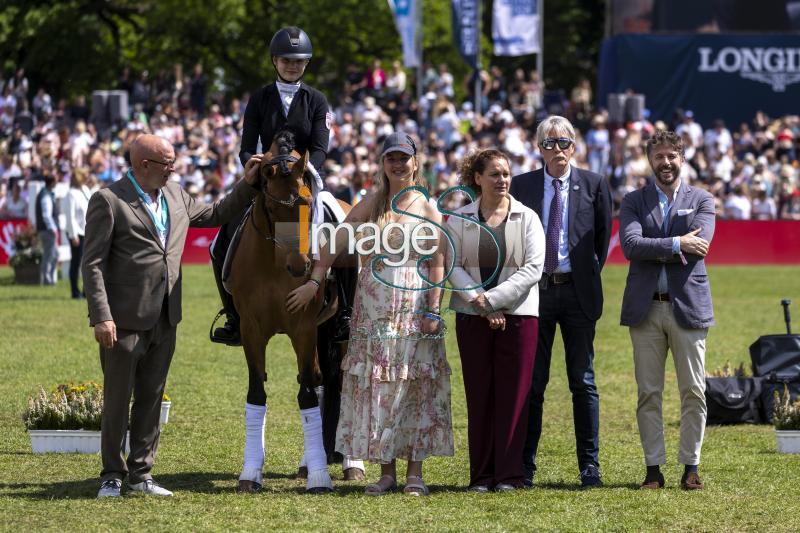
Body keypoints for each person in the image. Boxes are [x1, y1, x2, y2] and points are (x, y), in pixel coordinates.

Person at [83, 134, 261, 498]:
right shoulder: (109, 200)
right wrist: (102, 316)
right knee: (117, 399)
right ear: (143, 165)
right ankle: (112, 475)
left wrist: (248, 183)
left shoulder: (177, 193)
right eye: (167, 162)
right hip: (123, 318)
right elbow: (93, 263)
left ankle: (141, 475)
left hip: (166, 315)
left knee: (152, 396)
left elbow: (215, 214)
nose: (174, 168)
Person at [286, 132, 454, 496]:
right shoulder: (372, 202)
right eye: (390, 157)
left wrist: (434, 308)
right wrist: (315, 280)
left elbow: (438, 259)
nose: (397, 164)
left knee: (414, 386)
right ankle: (386, 471)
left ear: (415, 161)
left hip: (414, 304)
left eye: (403, 157)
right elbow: (335, 240)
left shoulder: (427, 206)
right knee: (380, 386)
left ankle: (415, 473)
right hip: (374, 307)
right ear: (382, 163)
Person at [210, 25, 331, 346]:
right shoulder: (259, 98)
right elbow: (246, 146)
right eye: (286, 60)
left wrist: (304, 172)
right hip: (266, 182)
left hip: (305, 182)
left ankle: (343, 309)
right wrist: (259, 166)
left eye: (299, 61)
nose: (293, 65)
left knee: (340, 231)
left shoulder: (317, 100)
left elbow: (320, 147)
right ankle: (234, 316)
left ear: (306, 63)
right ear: (274, 61)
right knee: (217, 243)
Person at [509, 115, 612, 488]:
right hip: (535, 292)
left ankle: (590, 466)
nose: (558, 150)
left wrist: (583, 276)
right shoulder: (521, 186)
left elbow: (600, 241)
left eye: (564, 142)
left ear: (575, 146)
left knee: (582, 381)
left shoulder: (595, 185)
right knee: (533, 384)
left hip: (578, 292)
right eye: (550, 143)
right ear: (539, 149)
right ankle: (525, 465)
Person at [618, 130, 715, 491]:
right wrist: (677, 242)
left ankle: (691, 466)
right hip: (646, 310)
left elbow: (700, 247)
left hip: (688, 307)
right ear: (650, 160)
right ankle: (653, 469)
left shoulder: (702, 199)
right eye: (659, 156)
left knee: (693, 390)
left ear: (682, 158)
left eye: (671, 156)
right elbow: (630, 245)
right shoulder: (633, 200)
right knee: (648, 392)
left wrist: (656, 245)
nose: (666, 162)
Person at [447, 149, 545, 492]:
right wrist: (481, 303)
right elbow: (451, 265)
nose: (502, 180)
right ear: (478, 178)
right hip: (472, 316)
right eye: (495, 174)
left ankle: (509, 475)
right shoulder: (459, 218)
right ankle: (483, 475)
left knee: (514, 396)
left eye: (506, 174)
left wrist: (494, 300)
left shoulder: (528, 217)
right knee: (480, 395)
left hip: (518, 316)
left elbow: (533, 268)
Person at [63, 167, 94, 298]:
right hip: (77, 233)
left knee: (88, 263)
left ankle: (86, 290)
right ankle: (75, 292)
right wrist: (73, 235)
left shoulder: (85, 190)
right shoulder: (71, 193)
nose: (87, 177)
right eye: (84, 175)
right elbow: (70, 216)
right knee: (76, 263)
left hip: (87, 231)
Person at [35, 173, 59, 285]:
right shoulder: (45, 195)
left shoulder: (47, 193)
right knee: (49, 255)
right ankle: (46, 279)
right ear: (52, 182)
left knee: (54, 255)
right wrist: (53, 228)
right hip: (47, 230)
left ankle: (48, 278)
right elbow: (46, 215)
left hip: (46, 229)